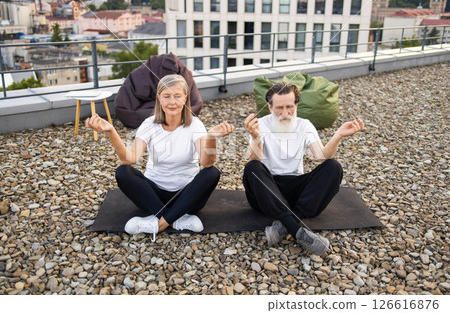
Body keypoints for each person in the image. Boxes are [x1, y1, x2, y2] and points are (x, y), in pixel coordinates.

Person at [86, 74, 235, 241]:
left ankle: (157, 222)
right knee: (123, 172)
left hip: (186, 196)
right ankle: (177, 219)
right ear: (159, 98)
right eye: (167, 96)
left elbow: (206, 162)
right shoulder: (149, 124)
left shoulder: (196, 125)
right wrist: (111, 131)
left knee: (211, 172)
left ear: (185, 98)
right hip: (153, 196)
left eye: (177, 96)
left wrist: (212, 137)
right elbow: (130, 159)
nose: (172, 102)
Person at [243, 82, 364, 255]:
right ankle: (297, 230)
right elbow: (254, 159)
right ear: (269, 107)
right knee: (252, 168)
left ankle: (284, 225)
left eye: (290, 107)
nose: (285, 113)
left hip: (297, 191)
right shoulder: (259, 125)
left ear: (296, 105)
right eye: (279, 108)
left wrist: (338, 136)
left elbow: (321, 156)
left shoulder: (304, 125)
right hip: (268, 192)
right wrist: (255, 137)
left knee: (333, 167)